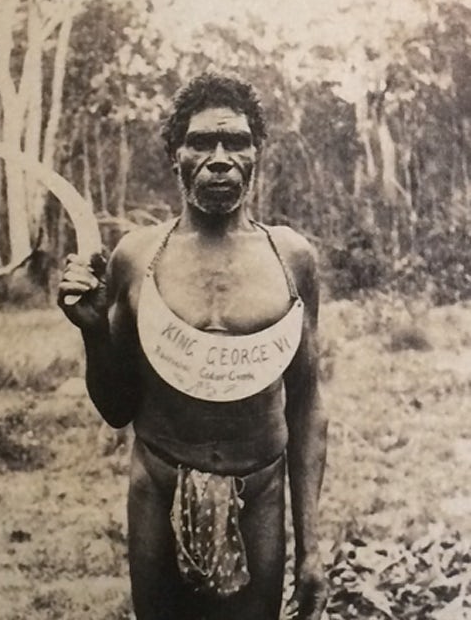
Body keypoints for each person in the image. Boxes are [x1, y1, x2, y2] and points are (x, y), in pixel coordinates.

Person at [58, 73, 328, 620]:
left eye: (237, 142)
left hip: (260, 493)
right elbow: (116, 409)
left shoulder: (290, 257)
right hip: (158, 486)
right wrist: (91, 331)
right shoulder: (137, 257)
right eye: (202, 141)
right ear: (175, 153)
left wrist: (312, 547)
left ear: (257, 152)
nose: (221, 158)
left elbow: (307, 403)